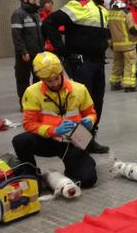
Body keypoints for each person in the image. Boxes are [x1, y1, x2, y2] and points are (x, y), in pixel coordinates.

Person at [12, 52, 97, 188]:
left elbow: (91, 113)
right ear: (41, 78)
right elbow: (28, 123)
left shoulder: (79, 89)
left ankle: (81, 163)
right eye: (49, 81)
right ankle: (31, 175)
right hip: (47, 140)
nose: (54, 83)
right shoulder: (32, 92)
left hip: (72, 140)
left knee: (88, 180)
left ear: (61, 72)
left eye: (57, 78)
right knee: (20, 141)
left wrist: (90, 121)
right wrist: (53, 130)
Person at [42, 0, 109, 153]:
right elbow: (49, 23)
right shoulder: (79, 5)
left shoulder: (102, 9)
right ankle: (79, 143)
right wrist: (61, 49)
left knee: (96, 102)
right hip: (82, 63)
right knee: (81, 102)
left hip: (98, 62)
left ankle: (89, 140)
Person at [11, 0, 44, 104]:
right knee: (23, 79)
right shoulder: (18, 14)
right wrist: (23, 52)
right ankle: (25, 103)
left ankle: (36, 101)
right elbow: (17, 35)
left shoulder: (36, 13)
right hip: (25, 54)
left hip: (38, 52)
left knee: (38, 78)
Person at [108, 0, 137, 92]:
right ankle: (129, 86)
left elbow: (108, 30)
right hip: (128, 45)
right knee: (130, 64)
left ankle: (115, 84)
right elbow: (132, 29)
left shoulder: (109, 13)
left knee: (117, 64)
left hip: (116, 45)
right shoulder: (126, 13)